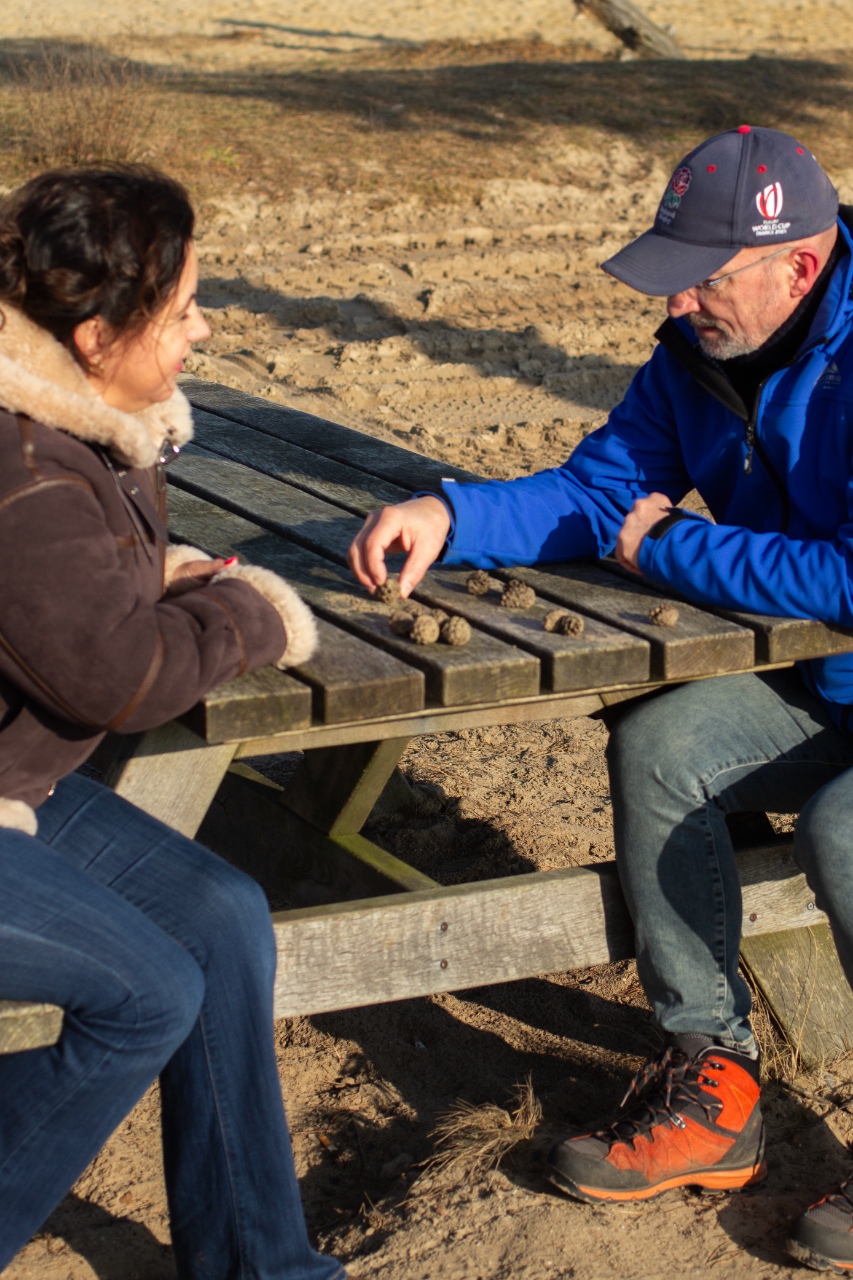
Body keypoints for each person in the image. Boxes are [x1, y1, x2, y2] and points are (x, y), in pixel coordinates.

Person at [349, 124, 853, 1272]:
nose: (676, 308)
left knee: (843, 826)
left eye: (702, 282)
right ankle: (712, 1082)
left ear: (800, 268)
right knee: (662, 738)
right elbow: (595, 488)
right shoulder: (700, 355)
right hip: (832, 687)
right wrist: (451, 516)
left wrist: (671, 549)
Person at [0, 164, 347, 1280]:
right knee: (149, 988)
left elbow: (88, 601)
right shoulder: (22, 471)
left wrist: (167, 574)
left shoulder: (79, 421)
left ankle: (260, 1263)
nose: (203, 328)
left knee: (220, 915)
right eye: (184, 307)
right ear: (96, 335)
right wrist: (250, 609)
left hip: (18, 785)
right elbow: (123, 678)